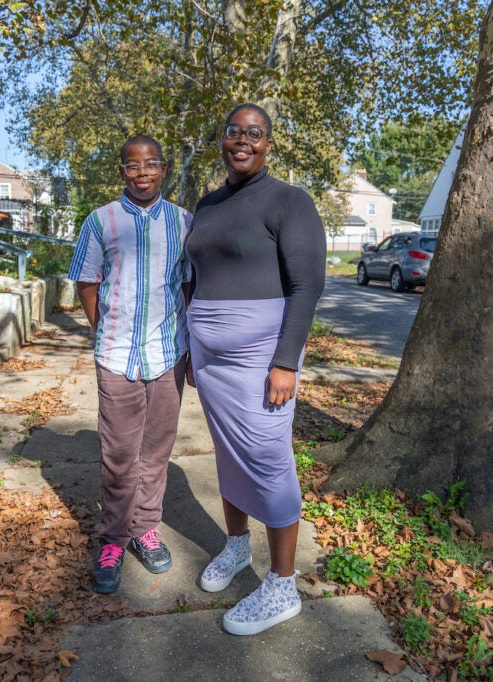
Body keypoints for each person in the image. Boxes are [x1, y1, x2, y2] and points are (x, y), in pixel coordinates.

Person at [186, 103, 325, 635]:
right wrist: (197, 346)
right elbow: (197, 276)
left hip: (263, 353)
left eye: (255, 133)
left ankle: (283, 585)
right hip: (211, 356)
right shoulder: (209, 202)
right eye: (233, 132)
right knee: (227, 451)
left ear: (268, 143)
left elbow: (307, 286)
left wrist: (286, 362)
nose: (242, 140)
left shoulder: (290, 201)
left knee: (267, 455)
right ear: (222, 140)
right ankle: (237, 547)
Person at [67, 135, 193, 594]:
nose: (143, 173)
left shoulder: (184, 222)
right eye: (133, 166)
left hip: (167, 356)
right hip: (116, 356)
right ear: (121, 171)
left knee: (155, 454)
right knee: (119, 457)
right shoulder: (101, 221)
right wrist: (104, 330)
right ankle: (113, 540)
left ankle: (144, 530)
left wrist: (192, 349)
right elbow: (87, 280)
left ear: (163, 168)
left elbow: (189, 287)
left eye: (151, 164)